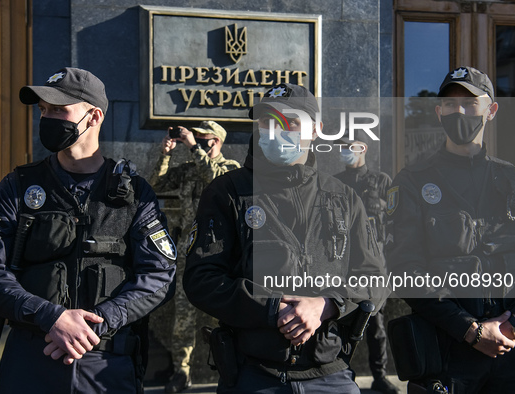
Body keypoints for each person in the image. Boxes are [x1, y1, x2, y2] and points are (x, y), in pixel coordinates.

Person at [0, 67, 176, 394]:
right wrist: (51, 317)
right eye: (43, 110)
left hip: (106, 365)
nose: (47, 118)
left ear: (94, 117)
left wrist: (96, 322)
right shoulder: (20, 186)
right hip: (32, 360)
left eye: (59, 109)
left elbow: (159, 275)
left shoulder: (134, 193)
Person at [183, 83, 388, 393]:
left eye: (290, 122)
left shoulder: (343, 197)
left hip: (329, 374)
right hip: (253, 374)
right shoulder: (227, 192)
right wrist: (270, 307)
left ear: (316, 130)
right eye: (268, 121)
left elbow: (376, 278)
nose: (277, 130)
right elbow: (201, 278)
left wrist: (327, 304)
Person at [386, 66, 515, 393]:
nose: (458, 111)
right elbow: (405, 269)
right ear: (438, 112)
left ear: (490, 110)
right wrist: (469, 331)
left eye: (470, 102)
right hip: (447, 356)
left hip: (513, 357)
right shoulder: (412, 182)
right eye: (450, 104)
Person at [148, 120, 240, 392]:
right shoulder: (188, 169)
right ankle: (182, 372)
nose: (198, 142)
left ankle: (230, 370)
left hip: (221, 256)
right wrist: (165, 154)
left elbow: (214, 180)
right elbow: (155, 184)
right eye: (195, 137)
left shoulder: (231, 169)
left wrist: (191, 147)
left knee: (222, 317)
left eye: (204, 138)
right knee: (183, 318)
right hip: (189, 253)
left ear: (217, 141)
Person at [335, 137, 398, 394]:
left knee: (376, 324)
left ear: (363, 149)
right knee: (339, 319)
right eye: (342, 148)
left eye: (351, 147)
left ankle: (380, 376)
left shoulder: (382, 182)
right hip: (343, 263)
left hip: (375, 264)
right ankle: (340, 373)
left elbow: (396, 222)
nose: (346, 152)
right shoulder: (335, 182)